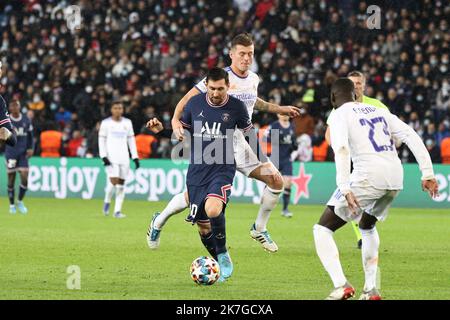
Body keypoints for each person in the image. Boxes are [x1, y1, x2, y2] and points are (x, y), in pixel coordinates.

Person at [147, 33, 301, 253]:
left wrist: (279, 108)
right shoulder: (220, 80)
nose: (246, 58)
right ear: (231, 54)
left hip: (243, 142)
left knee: (276, 181)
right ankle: (159, 221)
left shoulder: (253, 79)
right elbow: (187, 98)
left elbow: (252, 102)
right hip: (216, 143)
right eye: (242, 54)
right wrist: (174, 119)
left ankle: (259, 228)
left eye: (250, 54)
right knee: (192, 197)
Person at [314, 78, 439, 300]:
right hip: (395, 177)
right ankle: (370, 289)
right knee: (367, 225)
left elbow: (341, 148)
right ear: (354, 94)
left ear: (333, 98)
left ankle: (341, 285)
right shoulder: (378, 110)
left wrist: (344, 186)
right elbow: (410, 134)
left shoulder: (339, 114)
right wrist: (427, 173)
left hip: (367, 176)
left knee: (322, 229)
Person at [147, 68, 254, 282]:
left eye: (220, 89)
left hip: (223, 167)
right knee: (203, 225)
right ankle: (158, 221)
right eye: (212, 88)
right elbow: (184, 135)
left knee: (213, 208)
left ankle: (222, 253)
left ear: (228, 86)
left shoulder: (237, 107)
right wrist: (162, 132)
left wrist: (265, 162)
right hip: (198, 169)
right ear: (206, 85)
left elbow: (250, 135)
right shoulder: (194, 105)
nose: (216, 93)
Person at [325, 71, 390, 249]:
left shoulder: (377, 106)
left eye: (359, 83)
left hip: (374, 161)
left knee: (367, 200)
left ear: (364, 85)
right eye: (352, 84)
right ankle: (362, 235)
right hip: (352, 159)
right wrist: (340, 151)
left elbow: (390, 132)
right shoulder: (339, 108)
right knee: (351, 197)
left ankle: (366, 228)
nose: (356, 87)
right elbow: (329, 134)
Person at [98, 101, 140, 218]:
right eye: (115, 108)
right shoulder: (106, 123)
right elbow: (101, 140)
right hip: (111, 157)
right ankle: (107, 201)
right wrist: (103, 156)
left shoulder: (127, 123)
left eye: (120, 108)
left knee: (121, 185)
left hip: (124, 157)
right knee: (113, 182)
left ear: (123, 110)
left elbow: (131, 140)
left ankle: (117, 211)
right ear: (111, 110)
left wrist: (135, 157)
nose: (118, 110)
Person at [264, 114, 297, 217]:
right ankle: (264, 205)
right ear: (278, 115)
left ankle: (285, 209)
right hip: (275, 158)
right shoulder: (274, 125)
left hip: (287, 159)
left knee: (288, 183)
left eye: (287, 114)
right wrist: (276, 138)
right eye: (283, 114)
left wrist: (294, 145)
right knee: (270, 182)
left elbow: (293, 142)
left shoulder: (292, 126)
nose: (285, 116)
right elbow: (266, 138)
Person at [5, 100, 33, 214]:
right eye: (13, 106)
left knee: (25, 177)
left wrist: (31, 148)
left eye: (17, 105)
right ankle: (12, 205)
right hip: (11, 154)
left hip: (23, 154)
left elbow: (31, 136)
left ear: (19, 107)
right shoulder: (7, 121)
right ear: (10, 109)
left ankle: (20, 201)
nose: (15, 108)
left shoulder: (26, 120)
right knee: (11, 180)